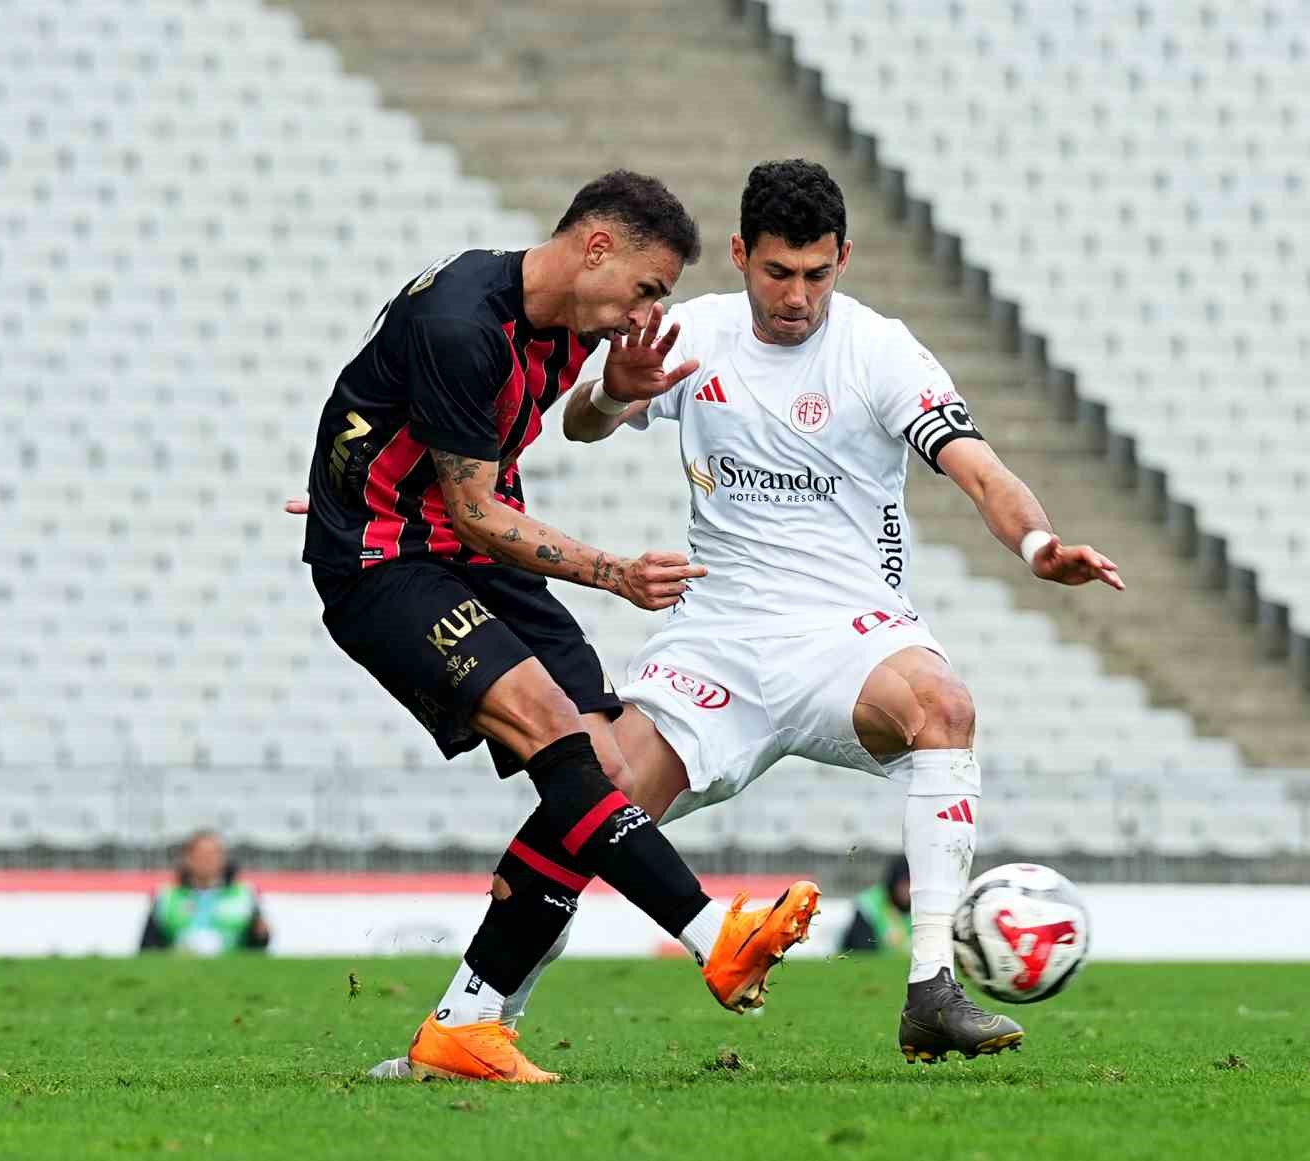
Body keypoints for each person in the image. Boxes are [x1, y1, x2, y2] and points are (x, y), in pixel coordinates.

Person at [434, 158, 1124, 1068]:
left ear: (843, 257)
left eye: (817, 274)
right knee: (591, 799)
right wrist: (615, 389)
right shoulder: (692, 332)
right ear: (739, 255)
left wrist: (1039, 548)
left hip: (848, 634)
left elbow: (978, 468)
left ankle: (930, 990)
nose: (797, 296)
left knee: (944, 708)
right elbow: (582, 426)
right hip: (714, 637)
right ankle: (471, 1016)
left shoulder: (881, 352)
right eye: (776, 272)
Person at [300, 170, 820, 1085]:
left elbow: (403, 415)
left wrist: (617, 389)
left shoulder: (568, 331)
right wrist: (612, 572)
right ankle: (712, 935)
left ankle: (466, 1023)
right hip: (388, 563)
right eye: (648, 288)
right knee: (549, 722)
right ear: (595, 248)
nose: (644, 312)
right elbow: (471, 508)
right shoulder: (467, 321)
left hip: (464, 549)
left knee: (607, 763)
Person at [138, 830, 271, 955]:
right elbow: (148, 948)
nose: (208, 861)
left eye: (214, 855)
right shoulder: (166, 896)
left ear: (223, 858)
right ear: (188, 859)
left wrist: (261, 936)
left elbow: (258, 946)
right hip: (180, 971)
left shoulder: (244, 894)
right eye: (201, 855)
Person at [840, 856, 913, 955]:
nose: (908, 889)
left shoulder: (927, 907)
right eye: (904, 883)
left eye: (912, 883)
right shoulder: (869, 905)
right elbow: (862, 951)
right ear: (894, 882)